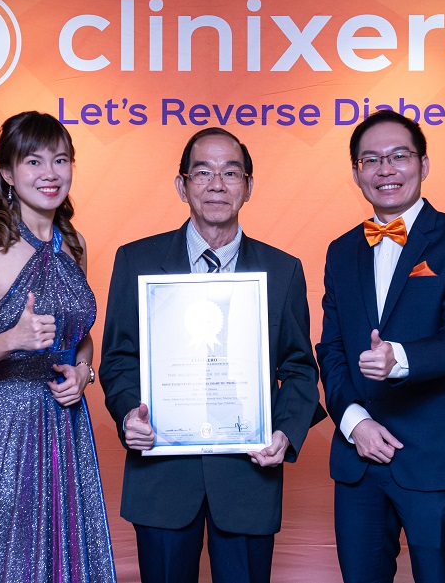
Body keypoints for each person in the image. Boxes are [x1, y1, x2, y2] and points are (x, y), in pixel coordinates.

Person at [98, 127, 321, 583]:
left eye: (230, 172)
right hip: (161, 476)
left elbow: (299, 367)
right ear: (182, 185)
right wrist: (127, 415)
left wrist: (283, 431)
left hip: (247, 479)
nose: (216, 184)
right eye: (202, 172)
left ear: (248, 185)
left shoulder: (282, 269)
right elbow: (118, 359)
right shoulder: (136, 261)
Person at [317, 109, 445, 583]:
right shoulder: (340, 249)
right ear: (356, 172)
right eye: (371, 160)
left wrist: (401, 359)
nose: (386, 169)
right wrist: (355, 424)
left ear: (424, 164)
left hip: (433, 461)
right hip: (358, 461)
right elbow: (330, 348)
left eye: (399, 156)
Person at [0, 111, 115, 582]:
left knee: (62, 558)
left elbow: (82, 336)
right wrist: (13, 339)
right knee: (11, 561)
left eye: (60, 160)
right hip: (6, 427)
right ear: (7, 173)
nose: (50, 173)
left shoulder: (73, 243)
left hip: (65, 423)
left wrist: (84, 373)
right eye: (33, 161)